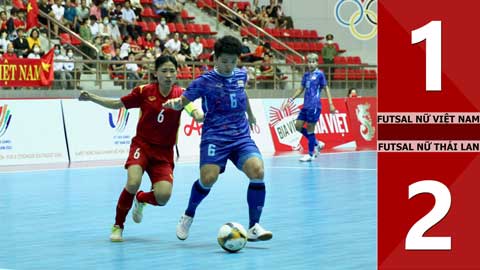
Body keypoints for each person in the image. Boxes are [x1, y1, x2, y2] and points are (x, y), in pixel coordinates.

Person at [78, 55, 204, 242]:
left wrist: (198, 115)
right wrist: (92, 98)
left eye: (172, 71)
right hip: (142, 146)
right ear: (156, 73)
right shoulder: (144, 91)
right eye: (164, 71)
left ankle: (142, 199)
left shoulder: (182, 95)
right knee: (133, 182)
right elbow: (117, 104)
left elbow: (195, 111)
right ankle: (118, 226)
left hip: (164, 153)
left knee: (163, 197)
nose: (169, 75)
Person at [163, 35, 273, 242]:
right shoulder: (204, 81)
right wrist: (174, 104)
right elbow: (183, 101)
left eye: (232, 61)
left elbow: (243, 94)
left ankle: (254, 226)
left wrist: (250, 115)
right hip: (215, 136)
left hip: (240, 136)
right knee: (208, 178)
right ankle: (188, 214)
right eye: (224, 61)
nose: (228, 66)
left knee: (258, 170)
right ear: (215, 58)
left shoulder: (241, 75)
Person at [282, 53, 336, 162]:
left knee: (311, 129)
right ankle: (317, 143)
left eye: (313, 62)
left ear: (317, 63)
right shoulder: (306, 75)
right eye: (309, 62)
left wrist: (331, 104)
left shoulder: (320, 74)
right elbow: (301, 89)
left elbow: (326, 88)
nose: (311, 64)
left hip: (314, 106)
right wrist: (291, 99)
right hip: (306, 106)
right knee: (298, 126)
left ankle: (311, 154)